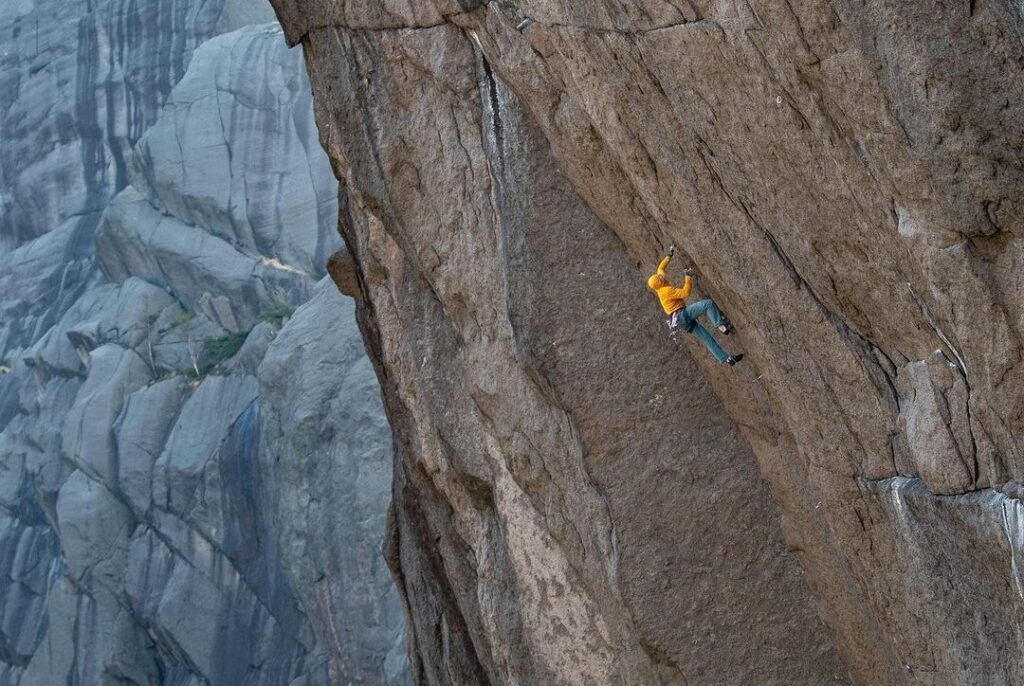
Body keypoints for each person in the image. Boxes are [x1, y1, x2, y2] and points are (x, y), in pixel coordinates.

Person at [648, 246, 743, 366]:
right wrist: (688, 277)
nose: (662, 276)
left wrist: (669, 255)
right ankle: (721, 325)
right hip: (681, 315)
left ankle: (726, 359)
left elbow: (661, 267)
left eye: (660, 276)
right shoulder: (666, 291)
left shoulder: (658, 284)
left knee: (706, 338)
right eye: (660, 277)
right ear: (660, 282)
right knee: (707, 304)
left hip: (678, 322)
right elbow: (685, 293)